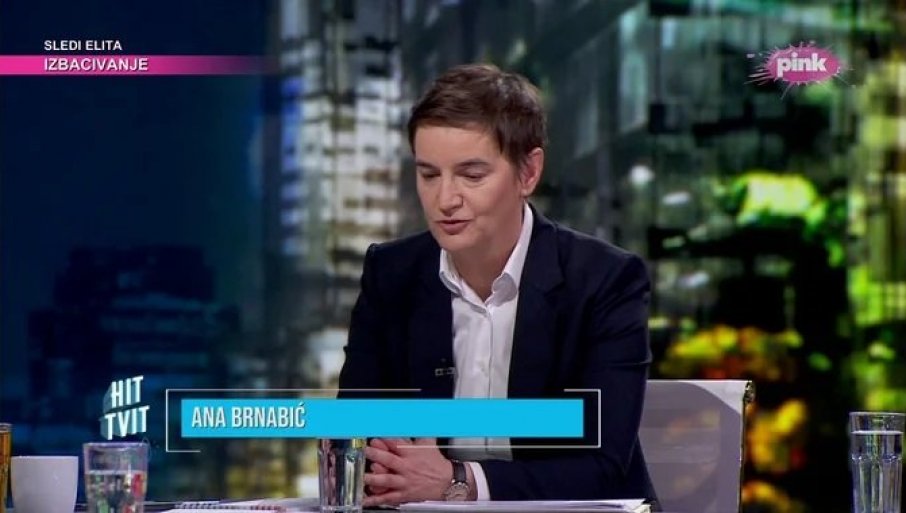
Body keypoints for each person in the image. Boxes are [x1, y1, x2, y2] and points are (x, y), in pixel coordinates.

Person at [337, 63, 656, 507]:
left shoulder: (604, 280)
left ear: (528, 173)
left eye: (471, 175)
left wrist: (461, 481)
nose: (445, 199)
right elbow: (355, 436)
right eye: (429, 175)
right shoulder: (391, 274)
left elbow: (601, 466)